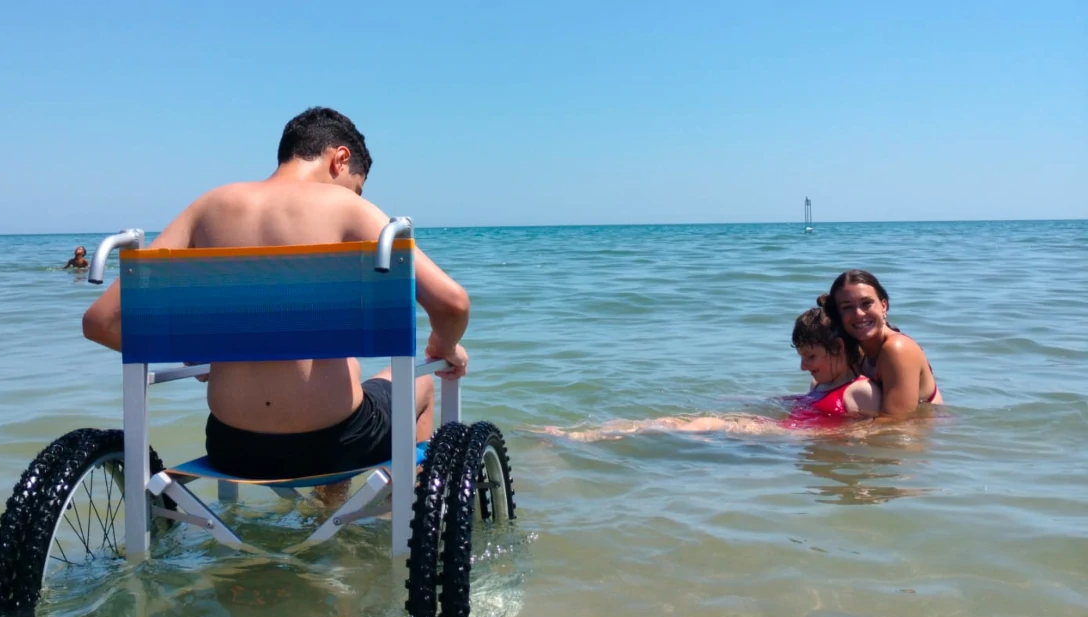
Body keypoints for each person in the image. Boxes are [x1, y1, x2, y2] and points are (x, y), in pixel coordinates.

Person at [82, 107, 470, 480]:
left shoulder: (208, 208)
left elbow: (102, 322)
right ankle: (396, 514)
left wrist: (193, 356)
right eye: (357, 186)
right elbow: (452, 304)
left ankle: (326, 511)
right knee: (420, 383)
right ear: (340, 158)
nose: (356, 196)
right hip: (337, 445)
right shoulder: (347, 209)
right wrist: (446, 347)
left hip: (231, 449)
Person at [537, 304, 880, 441]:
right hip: (775, 432)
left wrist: (806, 438)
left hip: (779, 439)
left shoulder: (858, 391)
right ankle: (585, 434)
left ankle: (581, 438)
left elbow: (884, 430)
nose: (803, 366)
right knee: (678, 422)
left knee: (689, 427)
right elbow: (809, 405)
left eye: (811, 356)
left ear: (837, 348)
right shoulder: (820, 383)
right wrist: (754, 399)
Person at [820, 270, 942, 415]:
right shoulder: (857, 350)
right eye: (847, 307)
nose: (859, 313)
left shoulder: (898, 349)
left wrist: (813, 432)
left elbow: (897, 422)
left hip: (917, 435)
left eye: (866, 303)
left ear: (883, 305)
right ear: (839, 315)